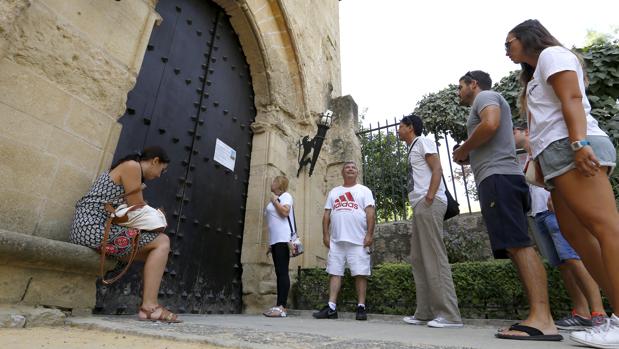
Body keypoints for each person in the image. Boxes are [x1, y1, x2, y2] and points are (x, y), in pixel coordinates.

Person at [506, 19, 619, 348]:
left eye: (509, 42)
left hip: (573, 148)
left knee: (605, 228)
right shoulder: (534, 75)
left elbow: (570, 98)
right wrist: (541, 166)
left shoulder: (553, 55)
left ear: (528, 38)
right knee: (577, 238)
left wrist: (579, 143)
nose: (506, 50)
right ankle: (614, 316)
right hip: (555, 158)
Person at [453, 70, 561, 341]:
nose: (458, 92)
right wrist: (471, 153)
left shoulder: (486, 96)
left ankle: (543, 319)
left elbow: (490, 124)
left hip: (499, 178)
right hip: (500, 178)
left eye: (460, 87)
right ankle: (538, 317)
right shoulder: (486, 100)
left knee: (519, 246)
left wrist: (464, 149)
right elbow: (491, 133)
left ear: (473, 84)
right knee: (515, 248)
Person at [69, 146, 179, 323]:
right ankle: (150, 307)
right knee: (162, 241)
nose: (159, 175)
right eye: (162, 170)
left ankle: (148, 306)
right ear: (155, 161)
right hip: (91, 227)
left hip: (91, 228)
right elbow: (138, 208)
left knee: (154, 251)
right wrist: (157, 218)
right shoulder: (132, 166)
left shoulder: (131, 168)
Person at [514, 124, 605, 330]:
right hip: (538, 214)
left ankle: (598, 311)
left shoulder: (543, 148)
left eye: (515, 132)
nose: (512, 136)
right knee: (562, 263)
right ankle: (581, 311)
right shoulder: (527, 157)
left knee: (573, 258)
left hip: (554, 211)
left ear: (526, 132)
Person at [397, 114, 463, 328]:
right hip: (420, 206)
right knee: (418, 258)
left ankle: (449, 315)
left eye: (400, 125)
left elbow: (437, 169)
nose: (398, 129)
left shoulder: (423, 141)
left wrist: (429, 196)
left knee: (434, 256)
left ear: (410, 127)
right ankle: (424, 312)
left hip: (429, 203)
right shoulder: (412, 147)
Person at [313, 161, 375, 321]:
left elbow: (370, 213)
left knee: (360, 273)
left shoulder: (364, 191)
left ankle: (361, 307)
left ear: (357, 172)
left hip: (358, 240)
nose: (350, 169)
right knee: (334, 272)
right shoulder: (334, 191)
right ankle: (331, 308)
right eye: (347, 167)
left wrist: (369, 234)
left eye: (353, 167)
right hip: (336, 240)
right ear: (342, 172)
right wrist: (325, 235)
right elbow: (326, 215)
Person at [262, 176, 295, 318]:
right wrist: (270, 243)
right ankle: (278, 305)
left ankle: (282, 307)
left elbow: (285, 212)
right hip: (276, 241)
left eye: (274, 181)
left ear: (279, 184)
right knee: (279, 273)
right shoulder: (276, 198)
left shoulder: (286, 196)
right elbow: (273, 223)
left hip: (283, 240)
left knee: (282, 273)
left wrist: (274, 201)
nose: (272, 183)